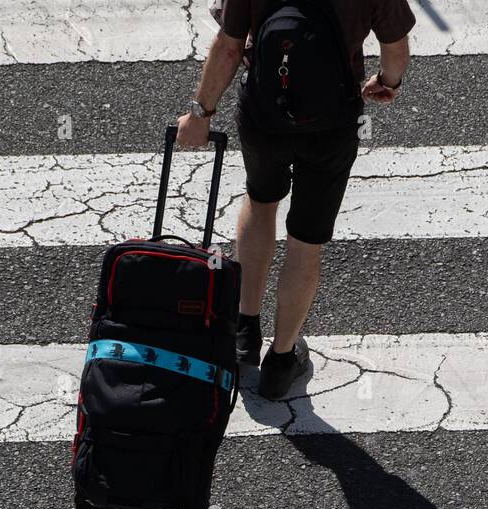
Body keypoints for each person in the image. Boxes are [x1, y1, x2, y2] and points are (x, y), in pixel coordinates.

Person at [177, 1, 415, 399]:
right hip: (332, 121)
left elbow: (230, 46)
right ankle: (281, 359)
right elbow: (396, 50)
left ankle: (244, 329)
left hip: (264, 112)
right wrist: (388, 83)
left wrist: (201, 113)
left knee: (260, 200)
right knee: (306, 241)